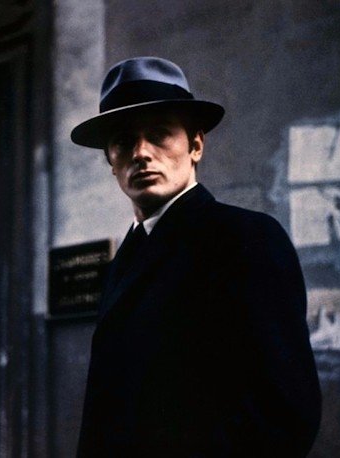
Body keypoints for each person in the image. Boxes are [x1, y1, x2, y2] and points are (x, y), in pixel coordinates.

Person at [70, 56, 322, 457]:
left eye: (159, 134)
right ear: (110, 162)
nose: (141, 152)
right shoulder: (122, 263)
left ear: (196, 146)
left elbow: (284, 413)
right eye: (123, 140)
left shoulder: (245, 239)